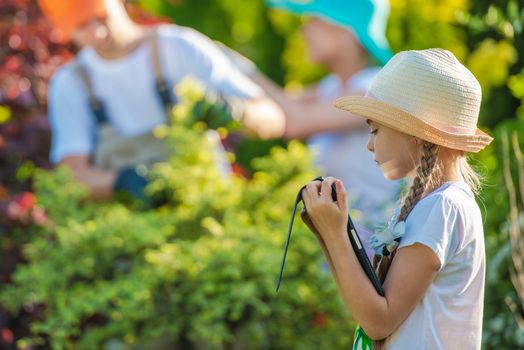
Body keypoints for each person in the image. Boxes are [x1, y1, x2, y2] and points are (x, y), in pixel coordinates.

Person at [300, 49, 493, 349]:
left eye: (375, 130)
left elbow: (379, 321)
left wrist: (336, 235)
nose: (369, 144)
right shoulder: (428, 205)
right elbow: (370, 309)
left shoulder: (443, 207)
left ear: (413, 133)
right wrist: (327, 232)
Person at [37, 0, 285, 202]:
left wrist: (237, 112)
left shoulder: (179, 47)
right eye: (82, 27)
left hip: (212, 210)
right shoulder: (71, 84)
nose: (97, 32)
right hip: (131, 240)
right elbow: (73, 176)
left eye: (101, 18)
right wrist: (122, 184)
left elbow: (274, 118)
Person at [250, 0, 400, 229]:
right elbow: (281, 102)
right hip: (338, 240)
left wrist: (245, 71)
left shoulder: (373, 89)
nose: (304, 30)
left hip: (371, 250)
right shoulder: (330, 87)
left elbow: (295, 121)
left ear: (346, 32)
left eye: (315, 20)